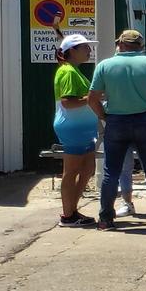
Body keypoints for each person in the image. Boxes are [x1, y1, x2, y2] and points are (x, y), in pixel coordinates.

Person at [86, 28, 146, 230]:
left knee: (111, 172)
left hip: (116, 122)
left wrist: (104, 115)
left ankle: (106, 219)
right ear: (140, 46)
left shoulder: (105, 66)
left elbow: (92, 99)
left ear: (121, 44)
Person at [51, 34, 99, 227]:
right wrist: (93, 98)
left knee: (88, 169)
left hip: (83, 129)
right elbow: (67, 102)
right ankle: (67, 214)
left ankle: (72, 210)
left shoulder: (73, 70)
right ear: (72, 51)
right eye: (84, 47)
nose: (89, 50)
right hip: (73, 128)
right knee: (71, 171)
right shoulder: (69, 72)